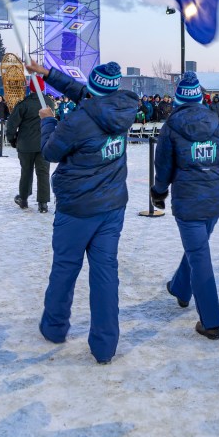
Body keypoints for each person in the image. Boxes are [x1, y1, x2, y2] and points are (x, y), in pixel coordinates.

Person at [35, 61, 139, 364]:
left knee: (65, 267)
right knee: (105, 272)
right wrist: (50, 75)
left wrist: (48, 121)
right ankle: (105, 346)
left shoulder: (78, 121)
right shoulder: (123, 107)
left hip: (78, 209)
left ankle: (54, 328)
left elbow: (50, 152)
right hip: (112, 206)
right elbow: (90, 98)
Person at [150, 72, 219, 340]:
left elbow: (163, 165)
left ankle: (211, 321)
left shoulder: (172, 126)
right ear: (200, 98)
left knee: (199, 255)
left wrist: (158, 192)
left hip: (188, 203)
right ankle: (180, 288)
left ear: (179, 98)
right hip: (213, 201)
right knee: (197, 247)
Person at [7, 76, 55, 213]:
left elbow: (11, 124)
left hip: (26, 145)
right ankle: (43, 203)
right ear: (42, 88)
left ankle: (23, 199)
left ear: (31, 88)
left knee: (26, 172)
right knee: (43, 173)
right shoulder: (49, 103)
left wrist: (11, 139)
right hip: (44, 144)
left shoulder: (24, 104)